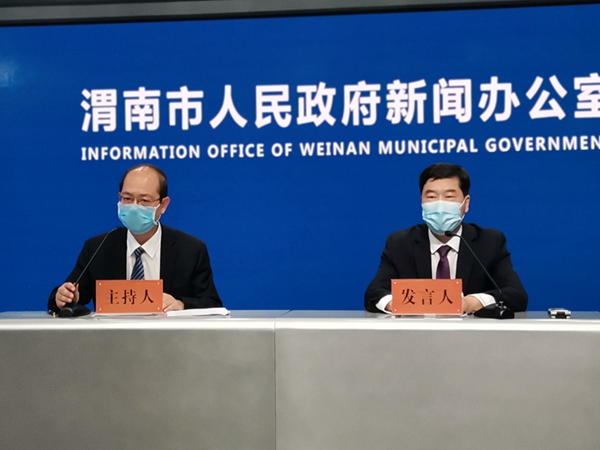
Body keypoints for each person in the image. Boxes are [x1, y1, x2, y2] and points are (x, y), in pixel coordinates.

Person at [48, 164, 222, 315]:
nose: (134, 207)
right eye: (127, 198)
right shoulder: (98, 247)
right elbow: (68, 296)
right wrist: (63, 297)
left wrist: (181, 304)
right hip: (113, 340)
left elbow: (212, 304)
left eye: (144, 200)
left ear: (163, 205)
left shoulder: (190, 250)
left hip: (170, 340)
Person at [364, 163, 527, 314]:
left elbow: (516, 295)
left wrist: (471, 303)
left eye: (449, 197)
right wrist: (399, 303)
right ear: (421, 202)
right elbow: (374, 293)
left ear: (466, 203)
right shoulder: (400, 243)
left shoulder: (489, 242)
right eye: (431, 197)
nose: (439, 204)